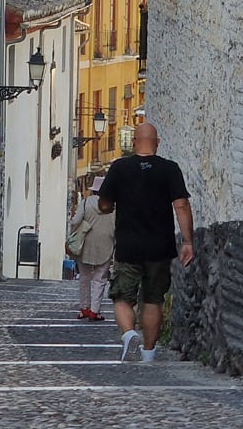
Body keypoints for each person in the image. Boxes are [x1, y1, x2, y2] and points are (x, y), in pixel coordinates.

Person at [98, 121, 194, 363]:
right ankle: (149, 354)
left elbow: (104, 204)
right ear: (158, 143)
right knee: (153, 299)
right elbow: (181, 205)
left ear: (133, 143)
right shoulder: (170, 169)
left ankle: (129, 334)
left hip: (129, 246)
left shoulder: (120, 168)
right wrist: (188, 241)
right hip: (160, 247)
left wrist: (111, 204)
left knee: (122, 297)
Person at [70, 183, 114, 321]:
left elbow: (76, 221)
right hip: (106, 244)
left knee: (84, 277)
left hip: (85, 245)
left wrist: (72, 234)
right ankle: (95, 311)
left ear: (94, 190)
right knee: (100, 278)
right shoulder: (114, 205)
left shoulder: (85, 203)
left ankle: (84, 309)